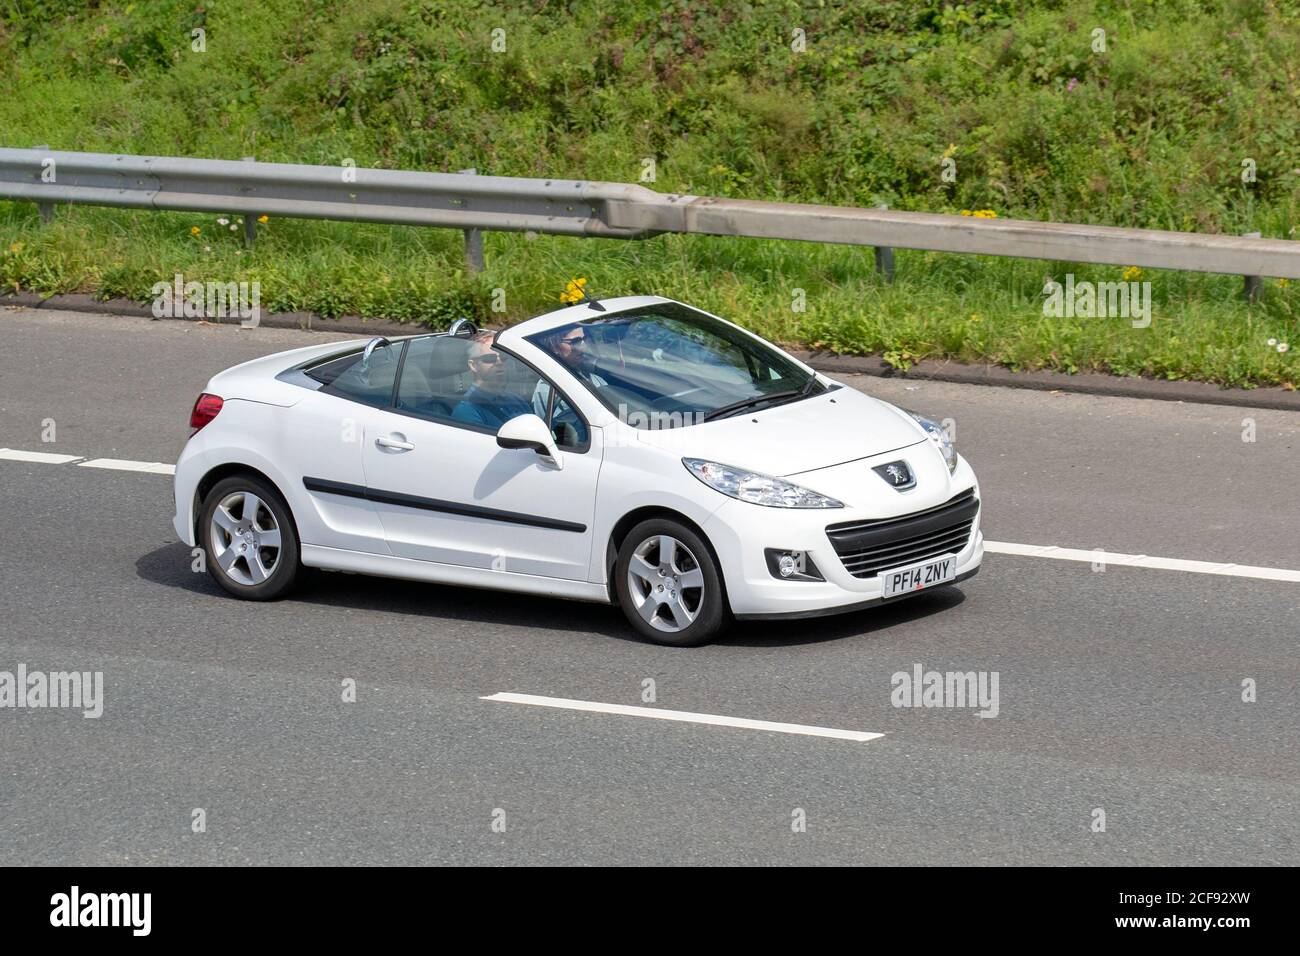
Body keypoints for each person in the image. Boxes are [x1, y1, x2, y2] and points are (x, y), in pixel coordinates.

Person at [452, 332, 533, 430]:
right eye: (490, 358)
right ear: (473, 365)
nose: (499, 362)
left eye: (503, 357)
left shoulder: (516, 400)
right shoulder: (466, 410)